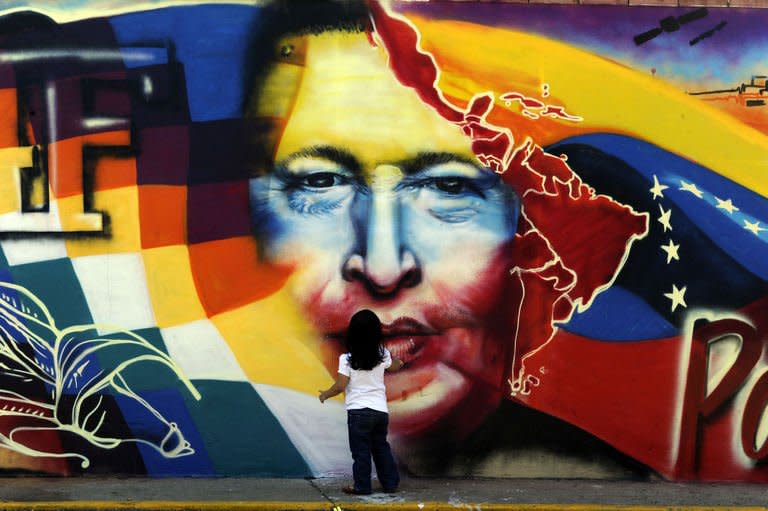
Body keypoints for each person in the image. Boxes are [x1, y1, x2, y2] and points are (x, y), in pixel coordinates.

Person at [319, 309, 404, 495]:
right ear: (376, 333)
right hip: (380, 412)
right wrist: (399, 363)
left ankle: (362, 486)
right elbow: (395, 366)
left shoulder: (347, 359)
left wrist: (326, 394)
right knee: (381, 447)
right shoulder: (383, 354)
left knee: (361, 452)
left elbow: (341, 385)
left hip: (358, 413)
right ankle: (390, 483)